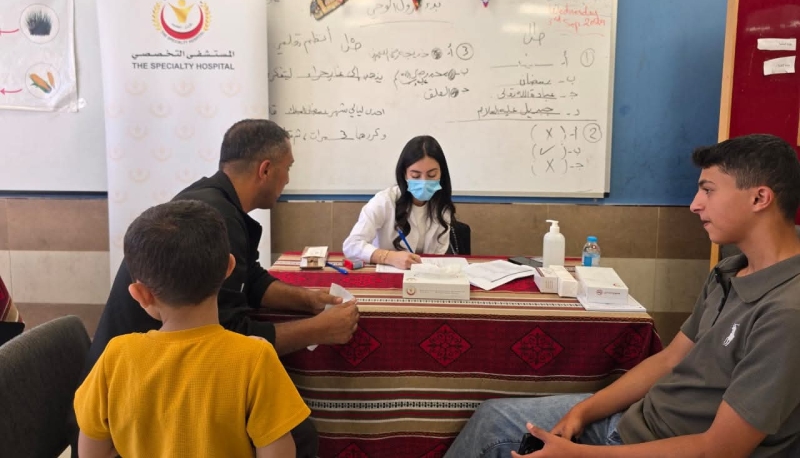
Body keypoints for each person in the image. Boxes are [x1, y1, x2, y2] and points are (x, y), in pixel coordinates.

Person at [444, 133, 800, 458]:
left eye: (708, 190)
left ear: (759, 198)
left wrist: (579, 455)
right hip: (639, 422)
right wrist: (582, 412)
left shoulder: (786, 313)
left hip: (657, 445)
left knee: (495, 431)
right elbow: (668, 360)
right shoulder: (729, 271)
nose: (695, 204)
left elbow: (719, 450)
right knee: (491, 416)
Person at [77, 119, 358, 457]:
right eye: (288, 168)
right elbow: (230, 330)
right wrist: (318, 330)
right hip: (154, 379)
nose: (288, 179)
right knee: (300, 436)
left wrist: (307, 300)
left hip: (139, 391)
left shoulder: (211, 206)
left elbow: (251, 279)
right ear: (266, 170)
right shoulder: (254, 357)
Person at [74, 200, 311, 458]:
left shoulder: (115, 357)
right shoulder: (255, 359)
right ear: (229, 268)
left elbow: (90, 453)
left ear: (140, 294)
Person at [343, 135, 457, 269]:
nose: (424, 182)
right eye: (415, 176)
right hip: (387, 275)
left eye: (431, 175)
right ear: (404, 174)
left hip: (424, 275)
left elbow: (438, 255)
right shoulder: (384, 201)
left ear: (442, 173)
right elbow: (351, 245)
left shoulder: (442, 207)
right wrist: (389, 257)